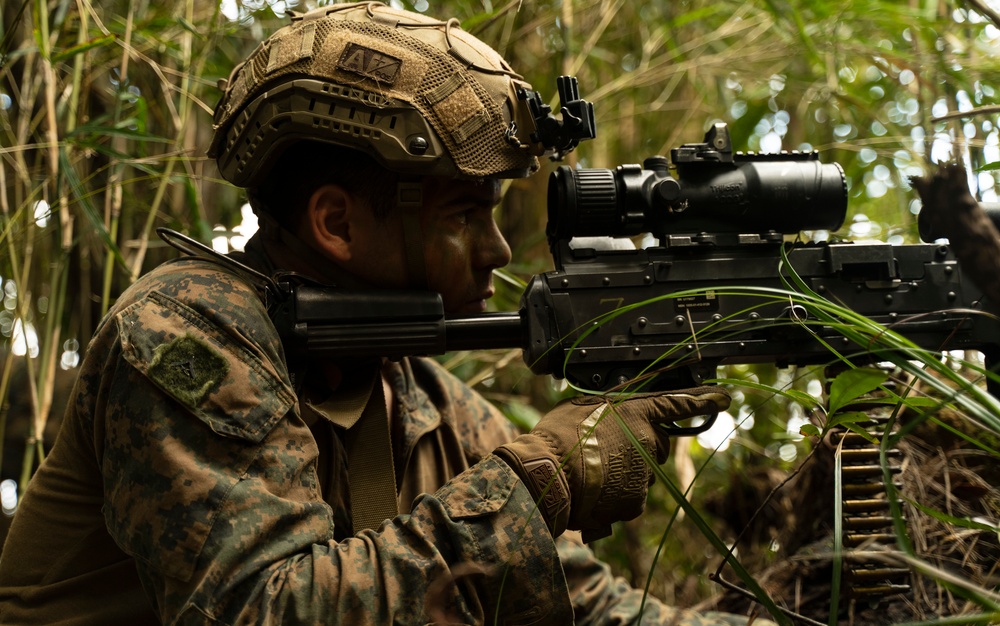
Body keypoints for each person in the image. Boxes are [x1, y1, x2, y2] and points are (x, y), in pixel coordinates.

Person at [0, 4, 772, 624]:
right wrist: (543, 480)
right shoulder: (182, 333)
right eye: (466, 215)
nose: (498, 250)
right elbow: (264, 607)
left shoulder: (423, 397)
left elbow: (579, 602)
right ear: (336, 223)